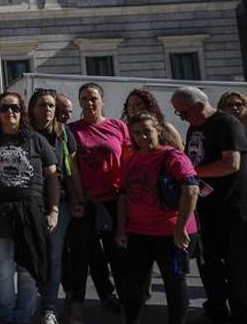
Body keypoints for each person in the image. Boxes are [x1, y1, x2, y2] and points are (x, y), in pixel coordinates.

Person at [0, 92, 59, 324]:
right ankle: (7, 316)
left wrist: (54, 211)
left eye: (15, 108)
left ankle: (24, 316)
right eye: (4, 108)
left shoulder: (36, 140)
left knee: (28, 269)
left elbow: (52, 176)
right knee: (2, 270)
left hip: (31, 213)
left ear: (22, 112)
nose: (10, 112)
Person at [115, 112, 200, 324]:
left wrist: (180, 227)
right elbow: (123, 196)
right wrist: (121, 229)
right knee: (132, 285)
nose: (142, 137)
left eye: (147, 132)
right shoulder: (132, 159)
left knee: (174, 283)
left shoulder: (172, 157)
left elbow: (192, 190)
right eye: (137, 133)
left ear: (158, 131)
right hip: (138, 232)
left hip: (171, 234)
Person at [171, 86, 247, 322]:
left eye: (184, 114)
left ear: (199, 106)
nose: (183, 119)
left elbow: (231, 164)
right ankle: (216, 305)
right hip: (206, 208)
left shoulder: (227, 124)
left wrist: (191, 172)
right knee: (209, 263)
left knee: (238, 265)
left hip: (233, 209)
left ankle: (241, 310)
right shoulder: (196, 126)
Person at [67, 82, 129, 320]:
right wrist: (78, 198)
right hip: (86, 202)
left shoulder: (118, 127)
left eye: (93, 98)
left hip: (115, 202)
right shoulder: (72, 130)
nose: (89, 103)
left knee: (118, 254)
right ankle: (78, 303)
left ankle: (125, 303)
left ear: (102, 100)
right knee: (83, 255)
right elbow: (70, 168)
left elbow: (128, 161)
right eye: (84, 99)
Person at [27, 88, 83, 324]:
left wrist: (79, 199)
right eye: (42, 105)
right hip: (30, 206)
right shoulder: (24, 134)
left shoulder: (64, 134)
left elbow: (72, 171)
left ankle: (49, 308)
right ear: (32, 108)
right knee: (31, 257)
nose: (47, 109)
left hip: (60, 205)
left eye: (51, 105)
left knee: (54, 258)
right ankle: (29, 303)